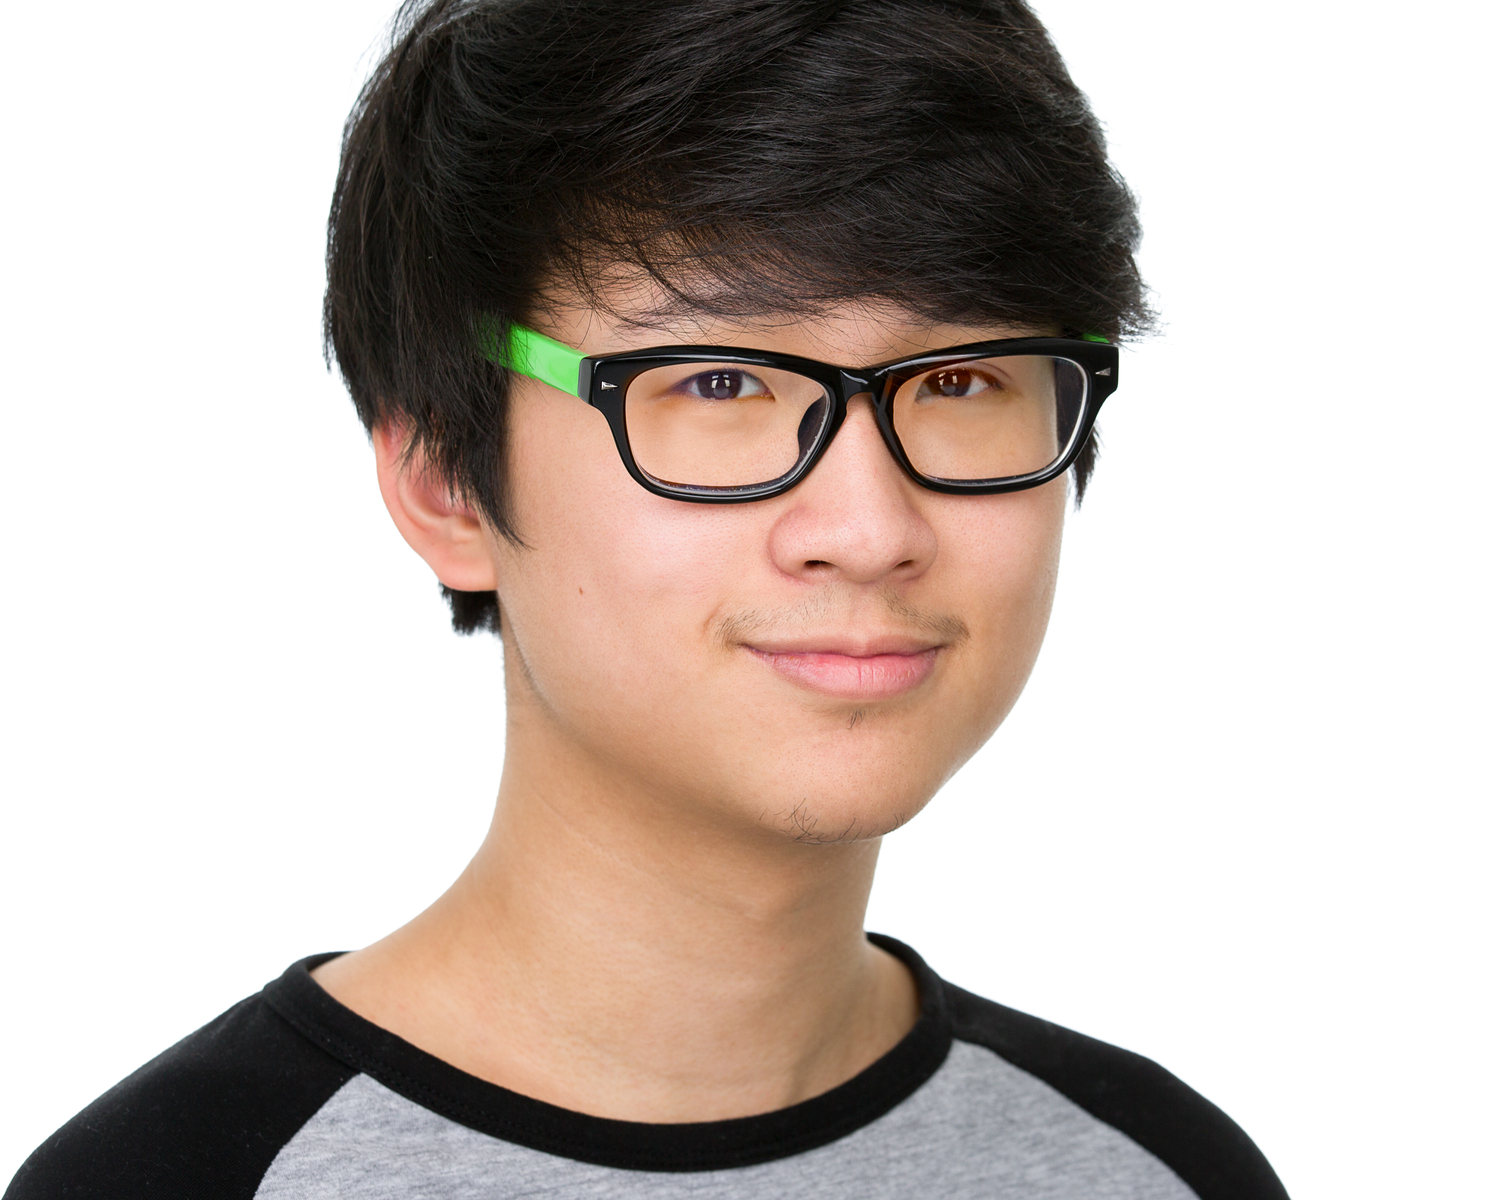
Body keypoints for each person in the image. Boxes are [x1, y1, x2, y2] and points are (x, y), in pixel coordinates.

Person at [5, 0, 1289, 1197]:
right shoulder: (176, 1179)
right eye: (720, 383)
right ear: (448, 484)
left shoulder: (1158, 1172)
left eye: (960, 382)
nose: (868, 531)